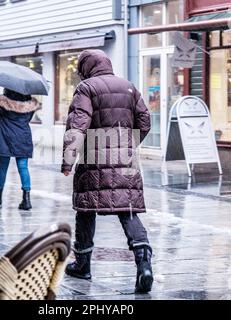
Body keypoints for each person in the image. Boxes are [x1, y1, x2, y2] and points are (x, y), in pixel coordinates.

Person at [61, 49, 153, 293]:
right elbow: (145, 121)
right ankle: (144, 264)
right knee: (128, 209)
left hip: (94, 158)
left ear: (86, 67)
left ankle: (82, 264)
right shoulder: (129, 86)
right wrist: (128, 144)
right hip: (125, 159)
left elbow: (77, 126)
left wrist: (68, 160)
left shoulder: (86, 88)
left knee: (85, 209)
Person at [0, 88, 38, 210]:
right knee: (23, 167)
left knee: (2, 166)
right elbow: (27, 119)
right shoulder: (29, 104)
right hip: (23, 136)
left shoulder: (3, 102)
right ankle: (26, 200)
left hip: (5, 136)